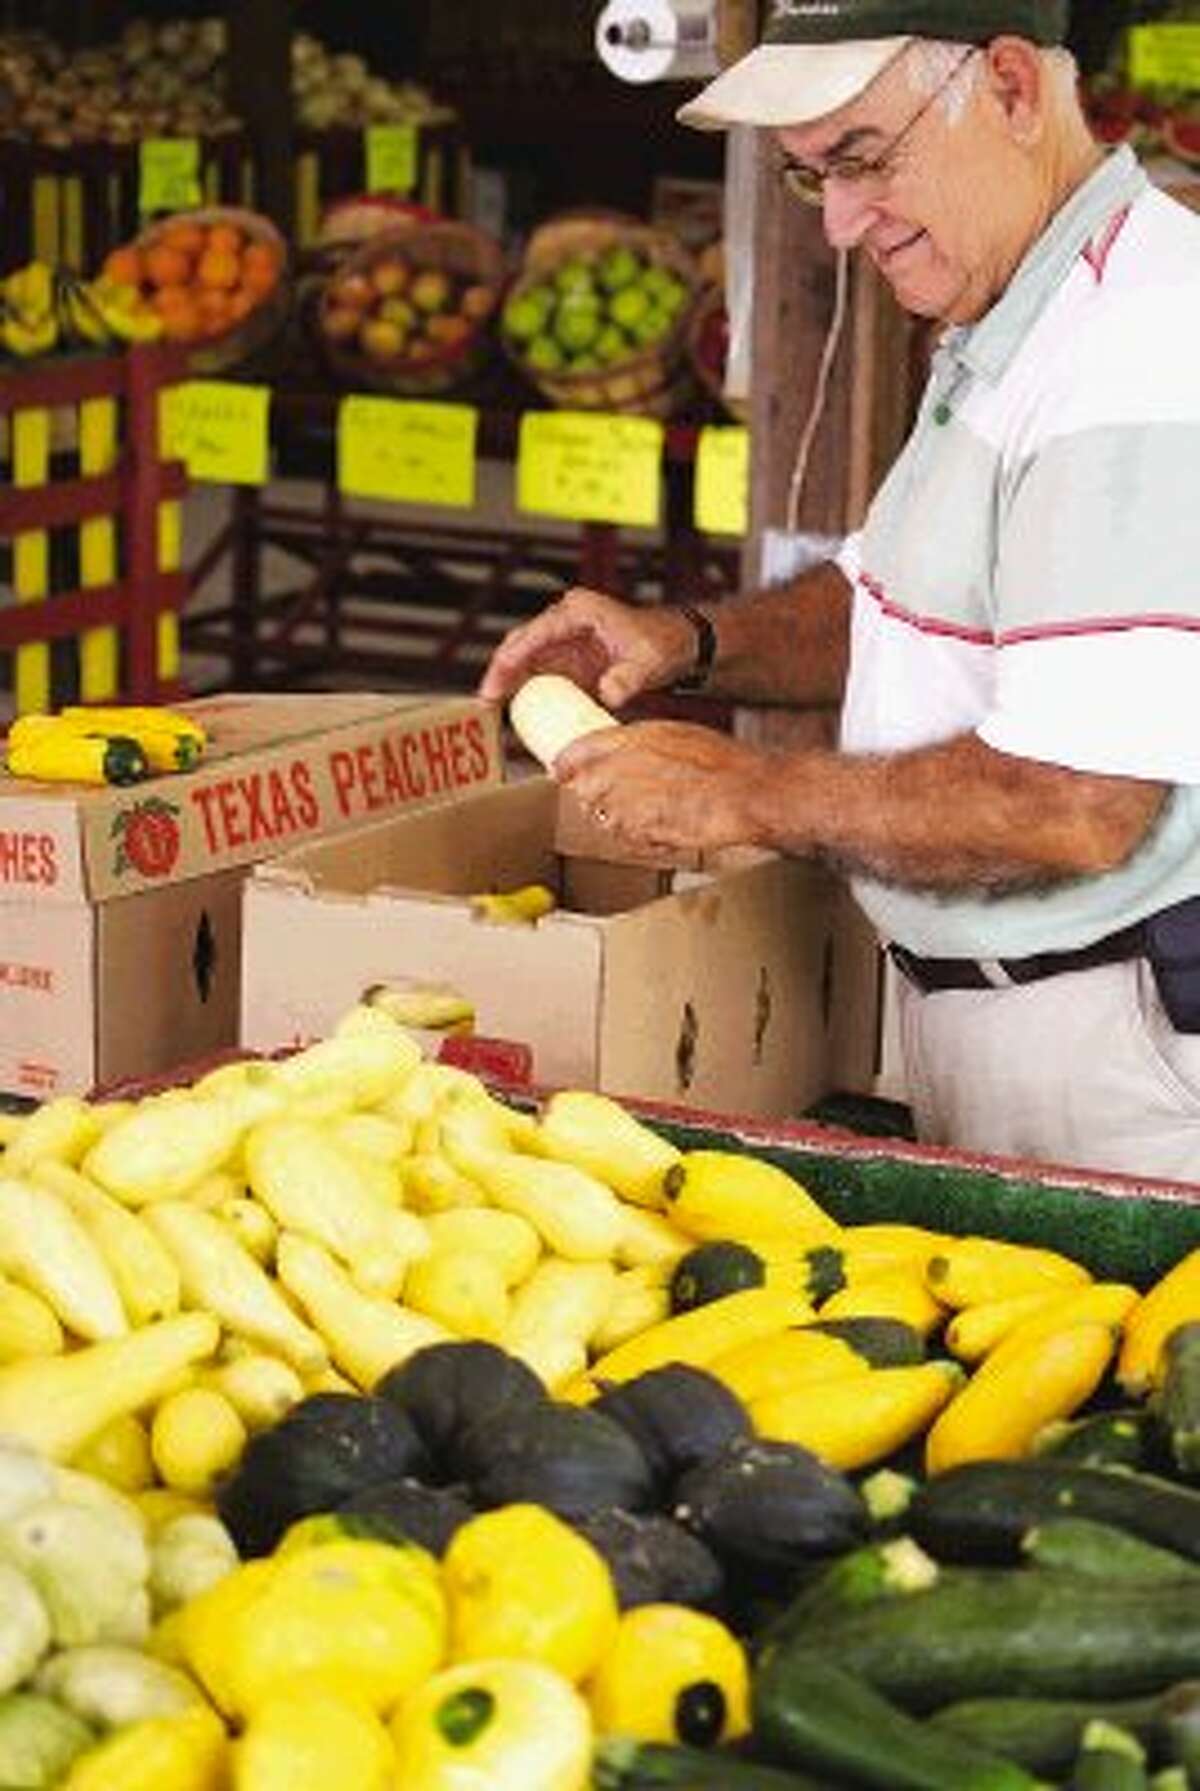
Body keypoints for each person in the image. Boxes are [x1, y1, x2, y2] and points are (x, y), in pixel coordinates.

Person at [480, 0, 1200, 1184]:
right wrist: (683, 642)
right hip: (1006, 1017)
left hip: (1114, 1059)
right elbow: (890, 599)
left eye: (863, 159)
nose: (844, 226)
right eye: (815, 180)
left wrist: (750, 793)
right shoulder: (1017, 308)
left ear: (1013, 90)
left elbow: (1077, 805)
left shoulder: (1137, 347)